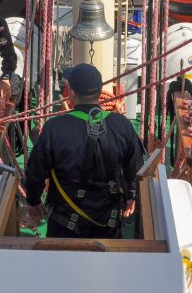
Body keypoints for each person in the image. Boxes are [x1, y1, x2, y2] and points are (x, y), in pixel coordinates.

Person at [22, 63, 144, 238]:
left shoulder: (54, 128)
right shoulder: (122, 125)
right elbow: (135, 167)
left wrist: (33, 202)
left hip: (64, 229)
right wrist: (131, 196)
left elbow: (36, 172)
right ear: (100, 90)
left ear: (71, 92)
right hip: (108, 228)